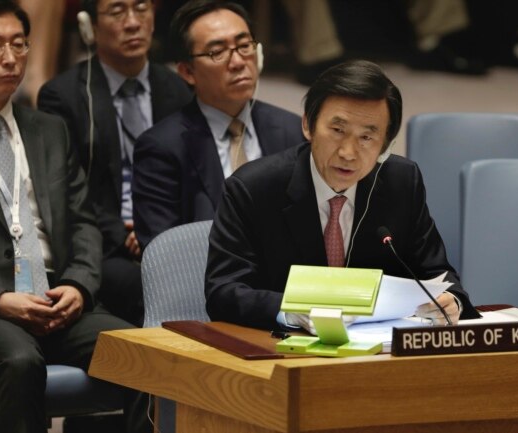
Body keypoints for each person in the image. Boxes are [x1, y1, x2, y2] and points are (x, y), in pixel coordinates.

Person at [0, 1, 150, 432]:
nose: (10, 58)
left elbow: (83, 222)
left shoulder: (48, 130)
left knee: (143, 353)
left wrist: (78, 284)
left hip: (54, 299)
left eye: (20, 45)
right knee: (20, 360)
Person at [205, 60, 480, 331]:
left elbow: (437, 273)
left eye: (366, 138)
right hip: (282, 351)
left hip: (377, 354)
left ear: (385, 144)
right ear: (308, 126)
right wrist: (290, 311)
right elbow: (223, 291)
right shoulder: (253, 188)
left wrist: (451, 300)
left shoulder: (401, 182)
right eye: (337, 131)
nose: (348, 153)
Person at [38, 0, 192, 326]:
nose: (133, 22)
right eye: (117, 11)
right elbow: (66, 186)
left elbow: (191, 175)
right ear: (89, 26)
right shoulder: (63, 96)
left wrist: (157, 227)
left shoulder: (179, 88)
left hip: (168, 233)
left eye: (141, 8)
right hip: (103, 243)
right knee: (145, 286)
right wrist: (122, 234)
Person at [132, 0, 304, 248]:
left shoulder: (292, 131)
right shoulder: (161, 148)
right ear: (187, 71)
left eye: (244, 46)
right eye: (217, 52)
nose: (237, 62)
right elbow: (164, 255)